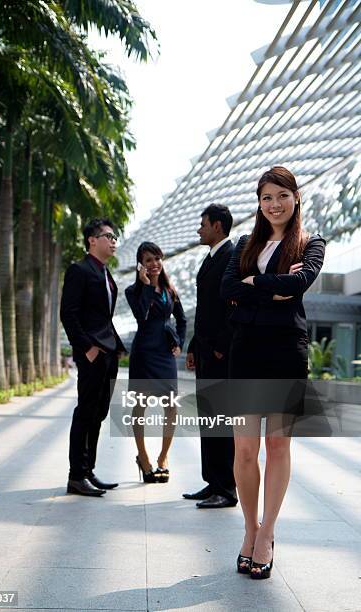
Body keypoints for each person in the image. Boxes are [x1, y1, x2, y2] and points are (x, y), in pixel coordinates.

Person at [220, 166, 326, 579]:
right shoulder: (245, 244)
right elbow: (228, 289)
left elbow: (300, 284)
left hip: (286, 351)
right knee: (245, 450)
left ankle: (267, 535)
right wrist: (273, 286)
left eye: (282, 195)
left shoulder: (310, 243)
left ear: (295, 198)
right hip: (245, 351)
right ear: (259, 203)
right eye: (266, 197)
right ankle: (248, 530)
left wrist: (254, 284)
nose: (274, 204)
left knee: (278, 447)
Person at [60, 218, 126, 497]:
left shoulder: (106, 273)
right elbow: (69, 313)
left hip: (107, 353)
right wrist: (87, 348)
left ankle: (88, 471)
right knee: (85, 412)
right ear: (92, 241)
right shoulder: (79, 270)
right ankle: (76, 475)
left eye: (114, 238)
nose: (113, 242)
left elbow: (103, 317)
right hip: (92, 354)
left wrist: (116, 345)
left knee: (99, 413)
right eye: (108, 237)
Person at [183, 204, 238, 509]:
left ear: (217, 226)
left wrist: (219, 345)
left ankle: (226, 488)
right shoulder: (211, 259)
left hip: (219, 353)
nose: (198, 229)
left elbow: (232, 307)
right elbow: (205, 310)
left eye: (202, 223)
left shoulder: (231, 257)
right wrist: (194, 345)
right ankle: (212, 481)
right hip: (205, 350)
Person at [125, 242, 186, 483]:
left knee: (171, 407)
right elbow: (142, 315)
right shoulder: (134, 291)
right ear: (141, 265)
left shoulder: (171, 290)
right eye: (148, 260)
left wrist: (179, 342)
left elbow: (181, 319)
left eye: (157, 258)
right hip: (143, 354)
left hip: (164, 354)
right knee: (139, 406)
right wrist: (148, 286)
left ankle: (163, 457)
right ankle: (143, 457)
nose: (154, 264)